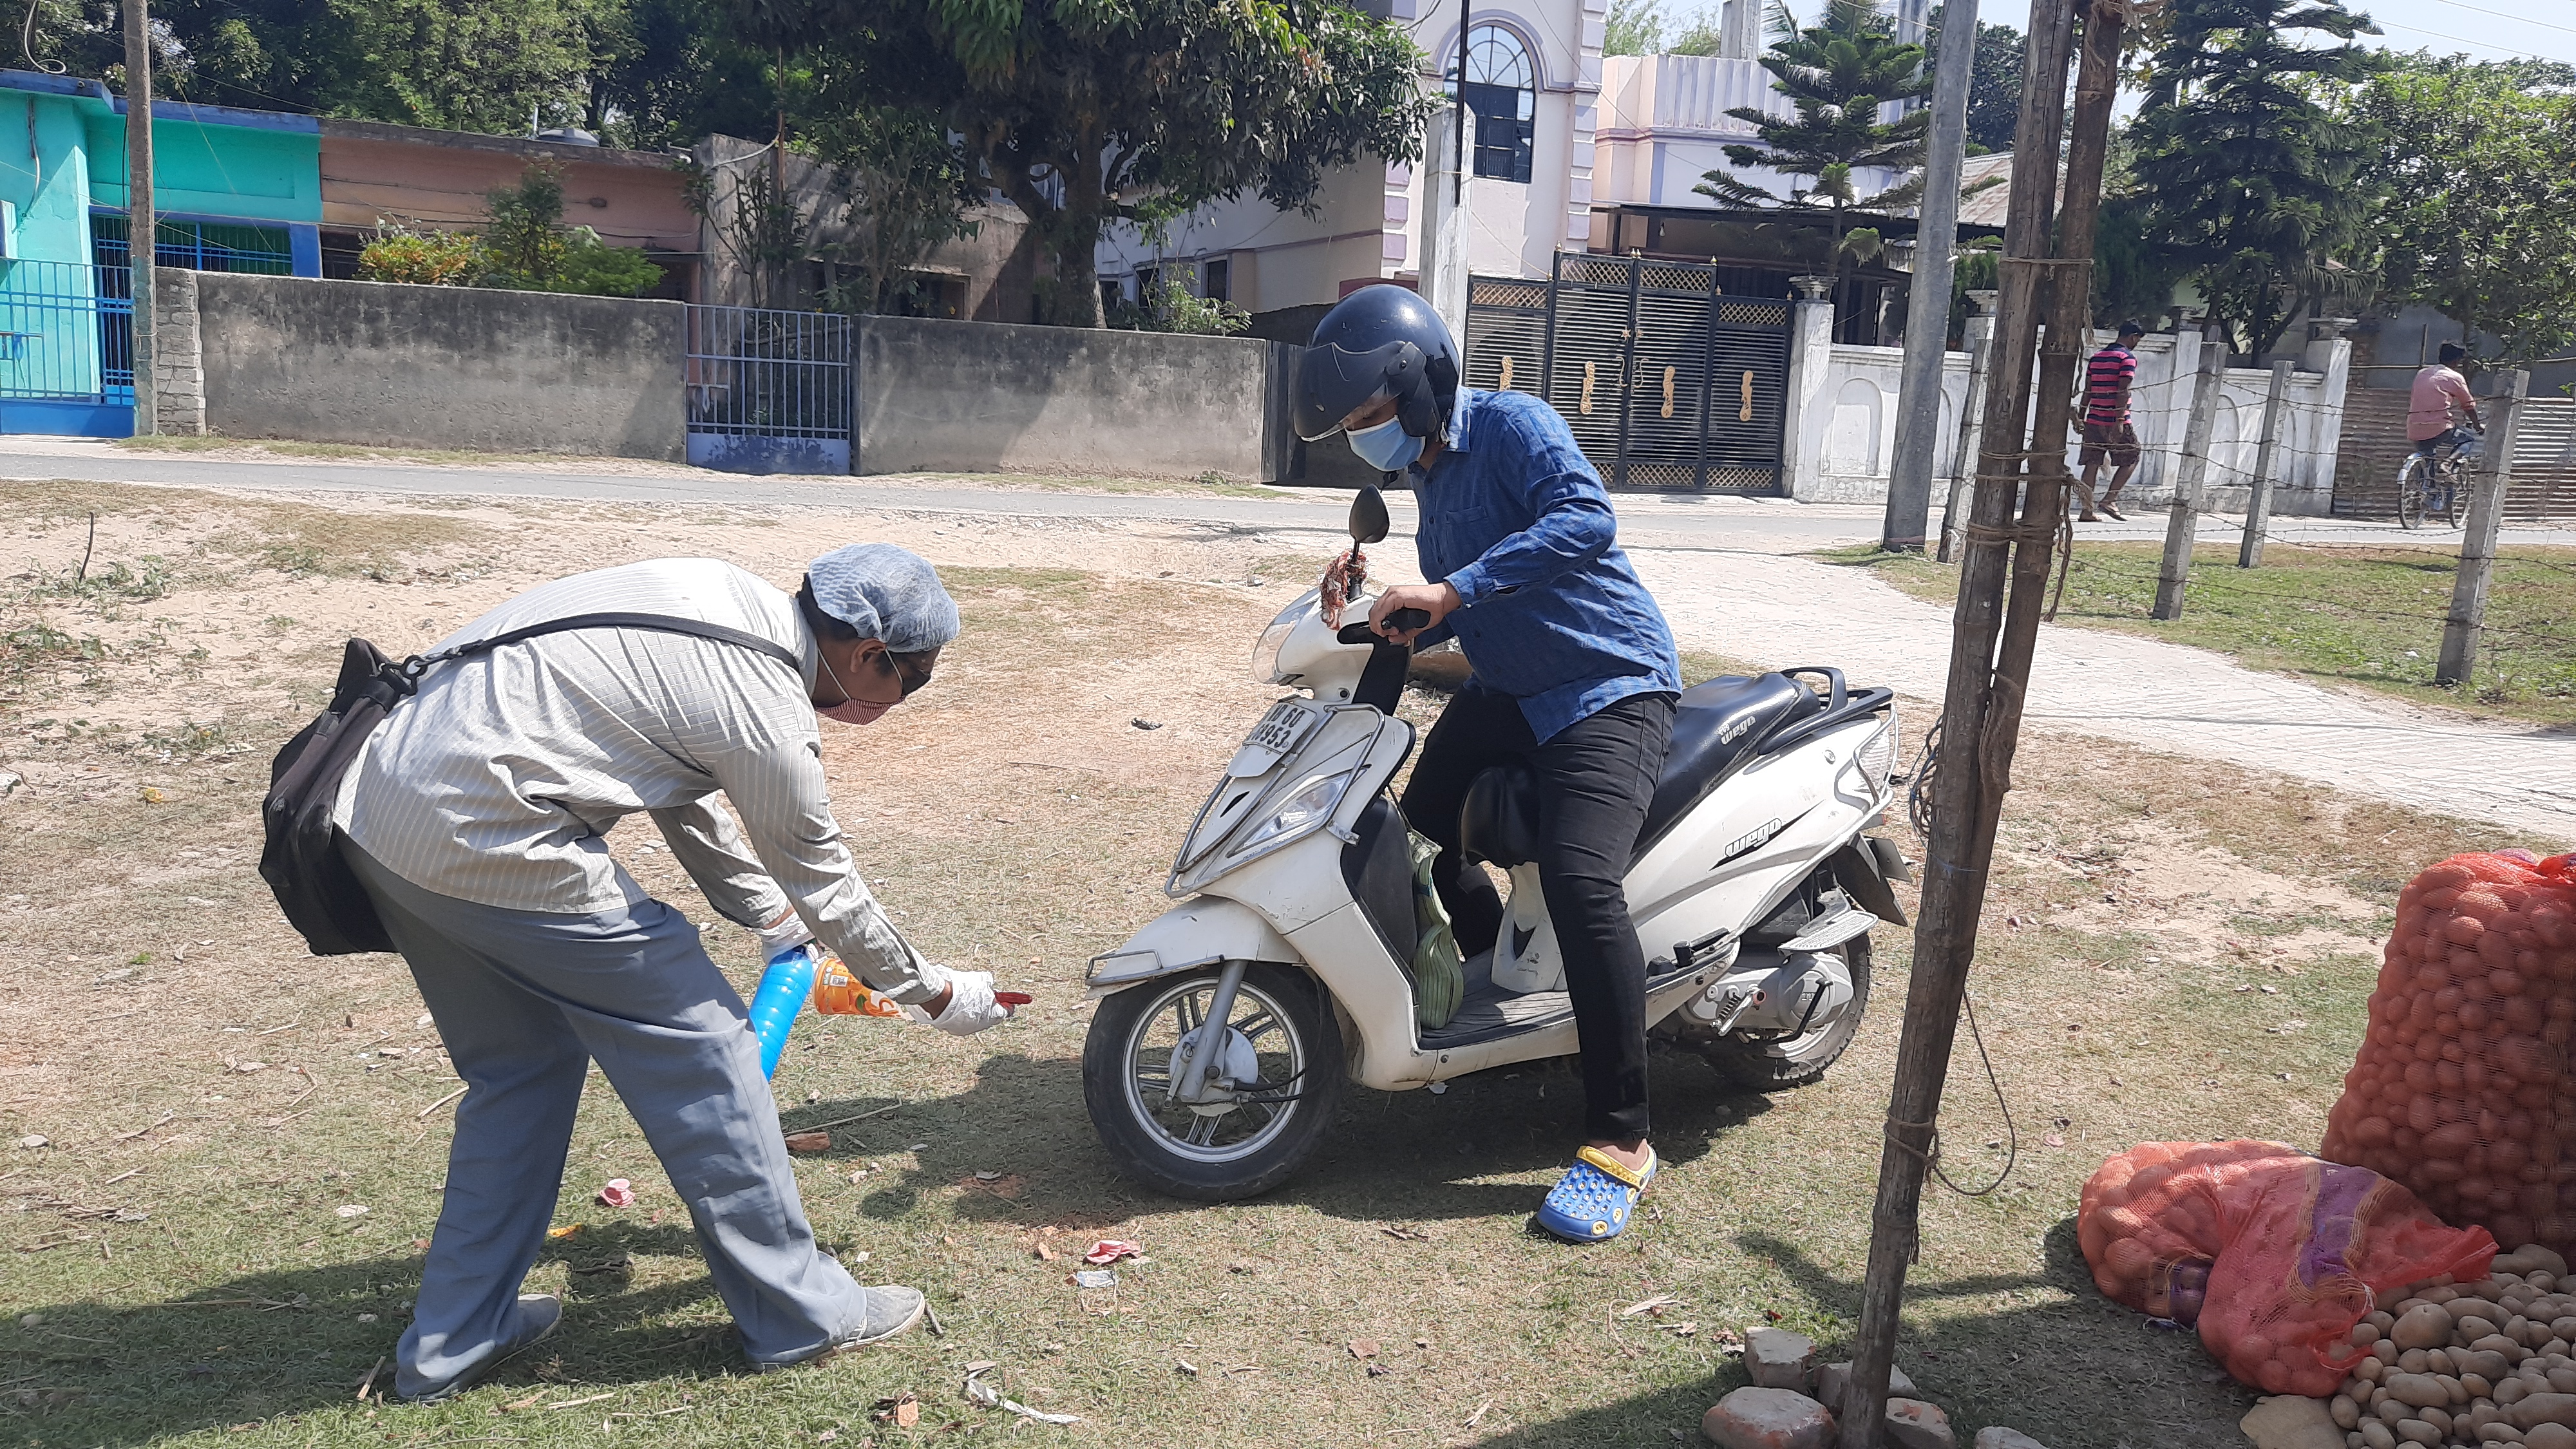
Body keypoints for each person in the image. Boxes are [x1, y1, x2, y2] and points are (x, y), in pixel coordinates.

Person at [332, 545, 1013, 1403]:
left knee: (521, 1070)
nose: (902, 702)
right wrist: (937, 992)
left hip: (380, 810)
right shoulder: (765, 704)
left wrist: (766, 916)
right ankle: (802, 1315)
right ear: (867, 653)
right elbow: (829, 884)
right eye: (911, 682)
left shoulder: (721, 598)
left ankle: (454, 1340)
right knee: (711, 1051)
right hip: (490, 829)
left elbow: (671, 774)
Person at [1295, 284, 1681, 1244]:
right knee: (1416, 827)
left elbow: (1586, 520)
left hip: (1606, 684)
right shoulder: (1424, 471)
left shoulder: (1513, 424)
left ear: (1424, 390)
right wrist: (1368, 600)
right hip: (1508, 684)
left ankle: (1622, 1139)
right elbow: (1449, 587)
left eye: (1372, 416)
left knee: (1587, 882)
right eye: (1352, 427)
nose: (1364, 438)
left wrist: (1455, 585)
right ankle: (1498, 993)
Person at [2078, 320, 2146, 522]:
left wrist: (2081, 415)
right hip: (2115, 419)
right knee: (2133, 456)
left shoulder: (2097, 358)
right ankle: (2110, 499)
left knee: (2092, 463)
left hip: (2094, 418)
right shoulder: (2127, 358)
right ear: (2133, 337)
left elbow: (2088, 390)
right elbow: (2122, 390)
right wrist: (2119, 419)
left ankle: (2086, 510)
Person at [2409, 341, 2483, 511]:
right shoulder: (2455, 377)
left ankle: (2426, 493)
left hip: (2414, 425)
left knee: (2427, 456)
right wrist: (2478, 425)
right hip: (2439, 427)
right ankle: (2448, 464)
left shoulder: (2422, 373)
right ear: (2457, 361)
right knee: (2467, 441)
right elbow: (2469, 405)